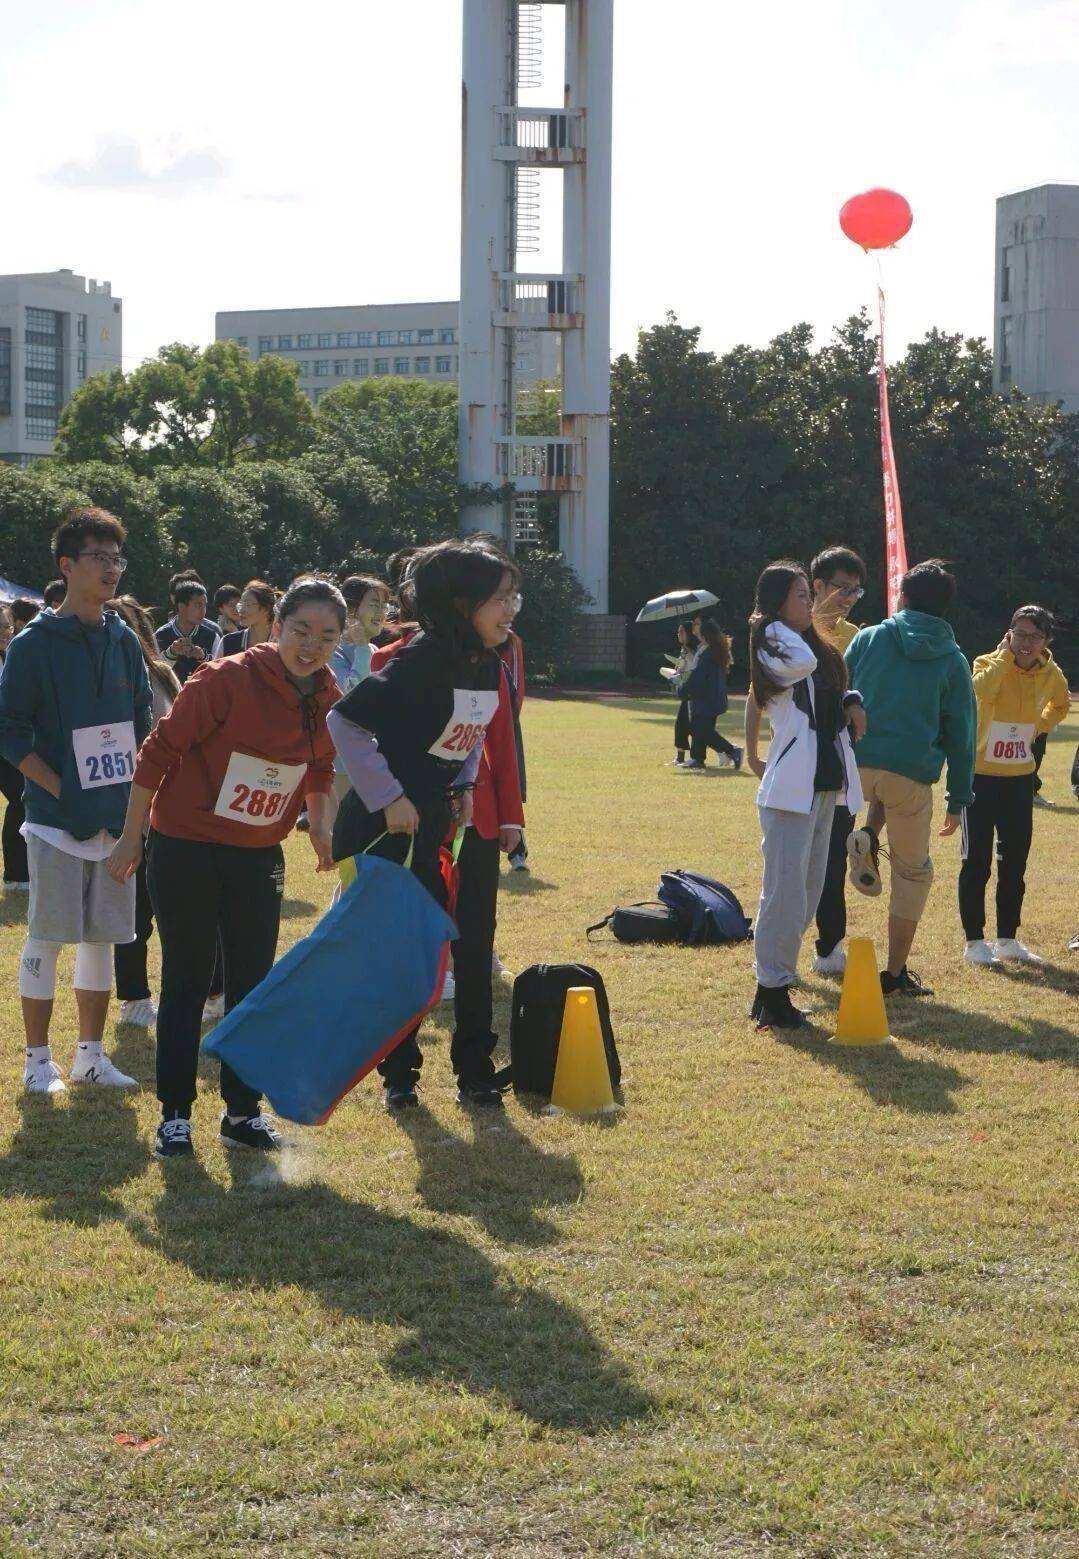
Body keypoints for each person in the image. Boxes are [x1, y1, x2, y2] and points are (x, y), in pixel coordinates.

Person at [107, 578, 344, 1159]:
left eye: (328, 636)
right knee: (188, 979)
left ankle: (242, 1112)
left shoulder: (327, 695)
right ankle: (175, 1116)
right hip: (186, 844)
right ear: (275, 625)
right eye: (301, 631)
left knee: (253, 985)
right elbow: (157, 753)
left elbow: (319, 769)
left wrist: (320, 826)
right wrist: (131, 837)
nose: (311, 646)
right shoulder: (225, 678)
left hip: (257, 852)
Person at [328, 542, 516, 1109]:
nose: (511, 610)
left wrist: (462, 787)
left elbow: (472, 732)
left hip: (445, 819)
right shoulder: (420, 660)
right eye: (500, 599)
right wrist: (390, 798)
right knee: (407, 952)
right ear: (462, 604)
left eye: (514, 598)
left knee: (475, 943)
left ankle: (476, 1071)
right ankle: (400, 1075)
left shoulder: (489, 659)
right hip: (390, 830)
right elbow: (346, 723)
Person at [0, 508, 152, 1094]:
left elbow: (141, 720)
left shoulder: (122, 638)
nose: (112, 569)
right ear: (67, 566)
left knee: (104, 936)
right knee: (47, 934)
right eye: (99, 558)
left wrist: (131, 799)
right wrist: (63, 789)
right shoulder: (35, 644)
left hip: (114, 818)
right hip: (56, 821)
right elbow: (10, 732)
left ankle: (91, 1055)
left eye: (117, 558)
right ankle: (37, 1061)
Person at [843, 559, 976, 997]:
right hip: (911, 772)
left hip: (854, 761)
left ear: (902, 595)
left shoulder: (869, 637)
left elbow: (836, 690)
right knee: (912, 871)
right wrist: (959, 797)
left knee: (819, 860)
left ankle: (816, 950)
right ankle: (895, 972)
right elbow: (961, 732)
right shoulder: (953, 660)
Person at [746, 562, 866, 1029]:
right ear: (775, 601)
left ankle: (774, 984)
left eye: (806, 594)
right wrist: (783, 619)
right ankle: (771, 991)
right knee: (784, 895)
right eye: (799, 595)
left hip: (826, 784)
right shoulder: (772, 639)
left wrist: (852, 698)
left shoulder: (809, 640)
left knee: (810, 893)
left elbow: (831, 683)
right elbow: (803, 667)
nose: (807, 602)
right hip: (789, 790)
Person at [958, 605, 1070, 966]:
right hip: (979, 779)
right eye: (1019, 634)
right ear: (1008, 633)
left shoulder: (1051, 673)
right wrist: (1004, 658)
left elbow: (1061, 704)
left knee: (1014, 863)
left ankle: (1007, 938)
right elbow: (980, 691)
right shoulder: (986, 663)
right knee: (976, 862)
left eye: (1035, 636)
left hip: (1020, 781)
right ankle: (974, 941)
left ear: (1046, 640)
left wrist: (1037, 727)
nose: (1026, 643)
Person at [108, 595, 181, 1027]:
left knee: (172, 906)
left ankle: (202, 991)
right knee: (133, 909)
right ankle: (134, 997)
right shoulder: (103, 678)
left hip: (168, 806)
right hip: (126, 807)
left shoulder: (162, 673)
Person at [680, 619, 742, 773]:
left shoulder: (708, 654)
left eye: (699, 631)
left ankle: (732, 750)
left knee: (701, 730)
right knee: (701, 728)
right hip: (712, 698)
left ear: (705, 634)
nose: (697, 634)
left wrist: (684, 688)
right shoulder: (714, 650)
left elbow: (698, 677)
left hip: (705, 698)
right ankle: (698, 759)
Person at [0, 606, 30, 891]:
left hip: (11, 743)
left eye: (7, 627)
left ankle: (19, 872)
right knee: (20, 799)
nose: (4, 633)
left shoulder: (11, 657)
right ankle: (15, 874)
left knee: (21, 800)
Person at [330, 575, 390, 696]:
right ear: (350, 610)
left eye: (384, 606)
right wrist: (362, 646)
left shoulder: (373, 649)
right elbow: (352, 695)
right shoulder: (332, 652)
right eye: (374, 605)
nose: (381, 613)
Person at [155, 573, 220, 682]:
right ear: (181, 606)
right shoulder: (160, 636)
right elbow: (155, 674)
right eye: (198, 605)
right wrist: (171, 652)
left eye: (205, 605)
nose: (203, 610)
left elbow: (220, 673)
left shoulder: (212, 637)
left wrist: (204, 657)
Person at [667, 621, 700, 766]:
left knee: (687, 725)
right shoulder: (684, 650)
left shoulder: (693, 651)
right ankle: (680, 757)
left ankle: (727, 750)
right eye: (678, 631)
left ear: (689, 634)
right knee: (682, 725)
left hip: (692, 693)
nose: (679, 634)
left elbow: (692, 670)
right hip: (686, 693)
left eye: (682, 631)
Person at [219, 579, 277, 656]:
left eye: (247, 605)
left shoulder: (281, 644)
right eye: (241, 605)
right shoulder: (228, 642)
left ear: (266, 609)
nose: (241, 610)